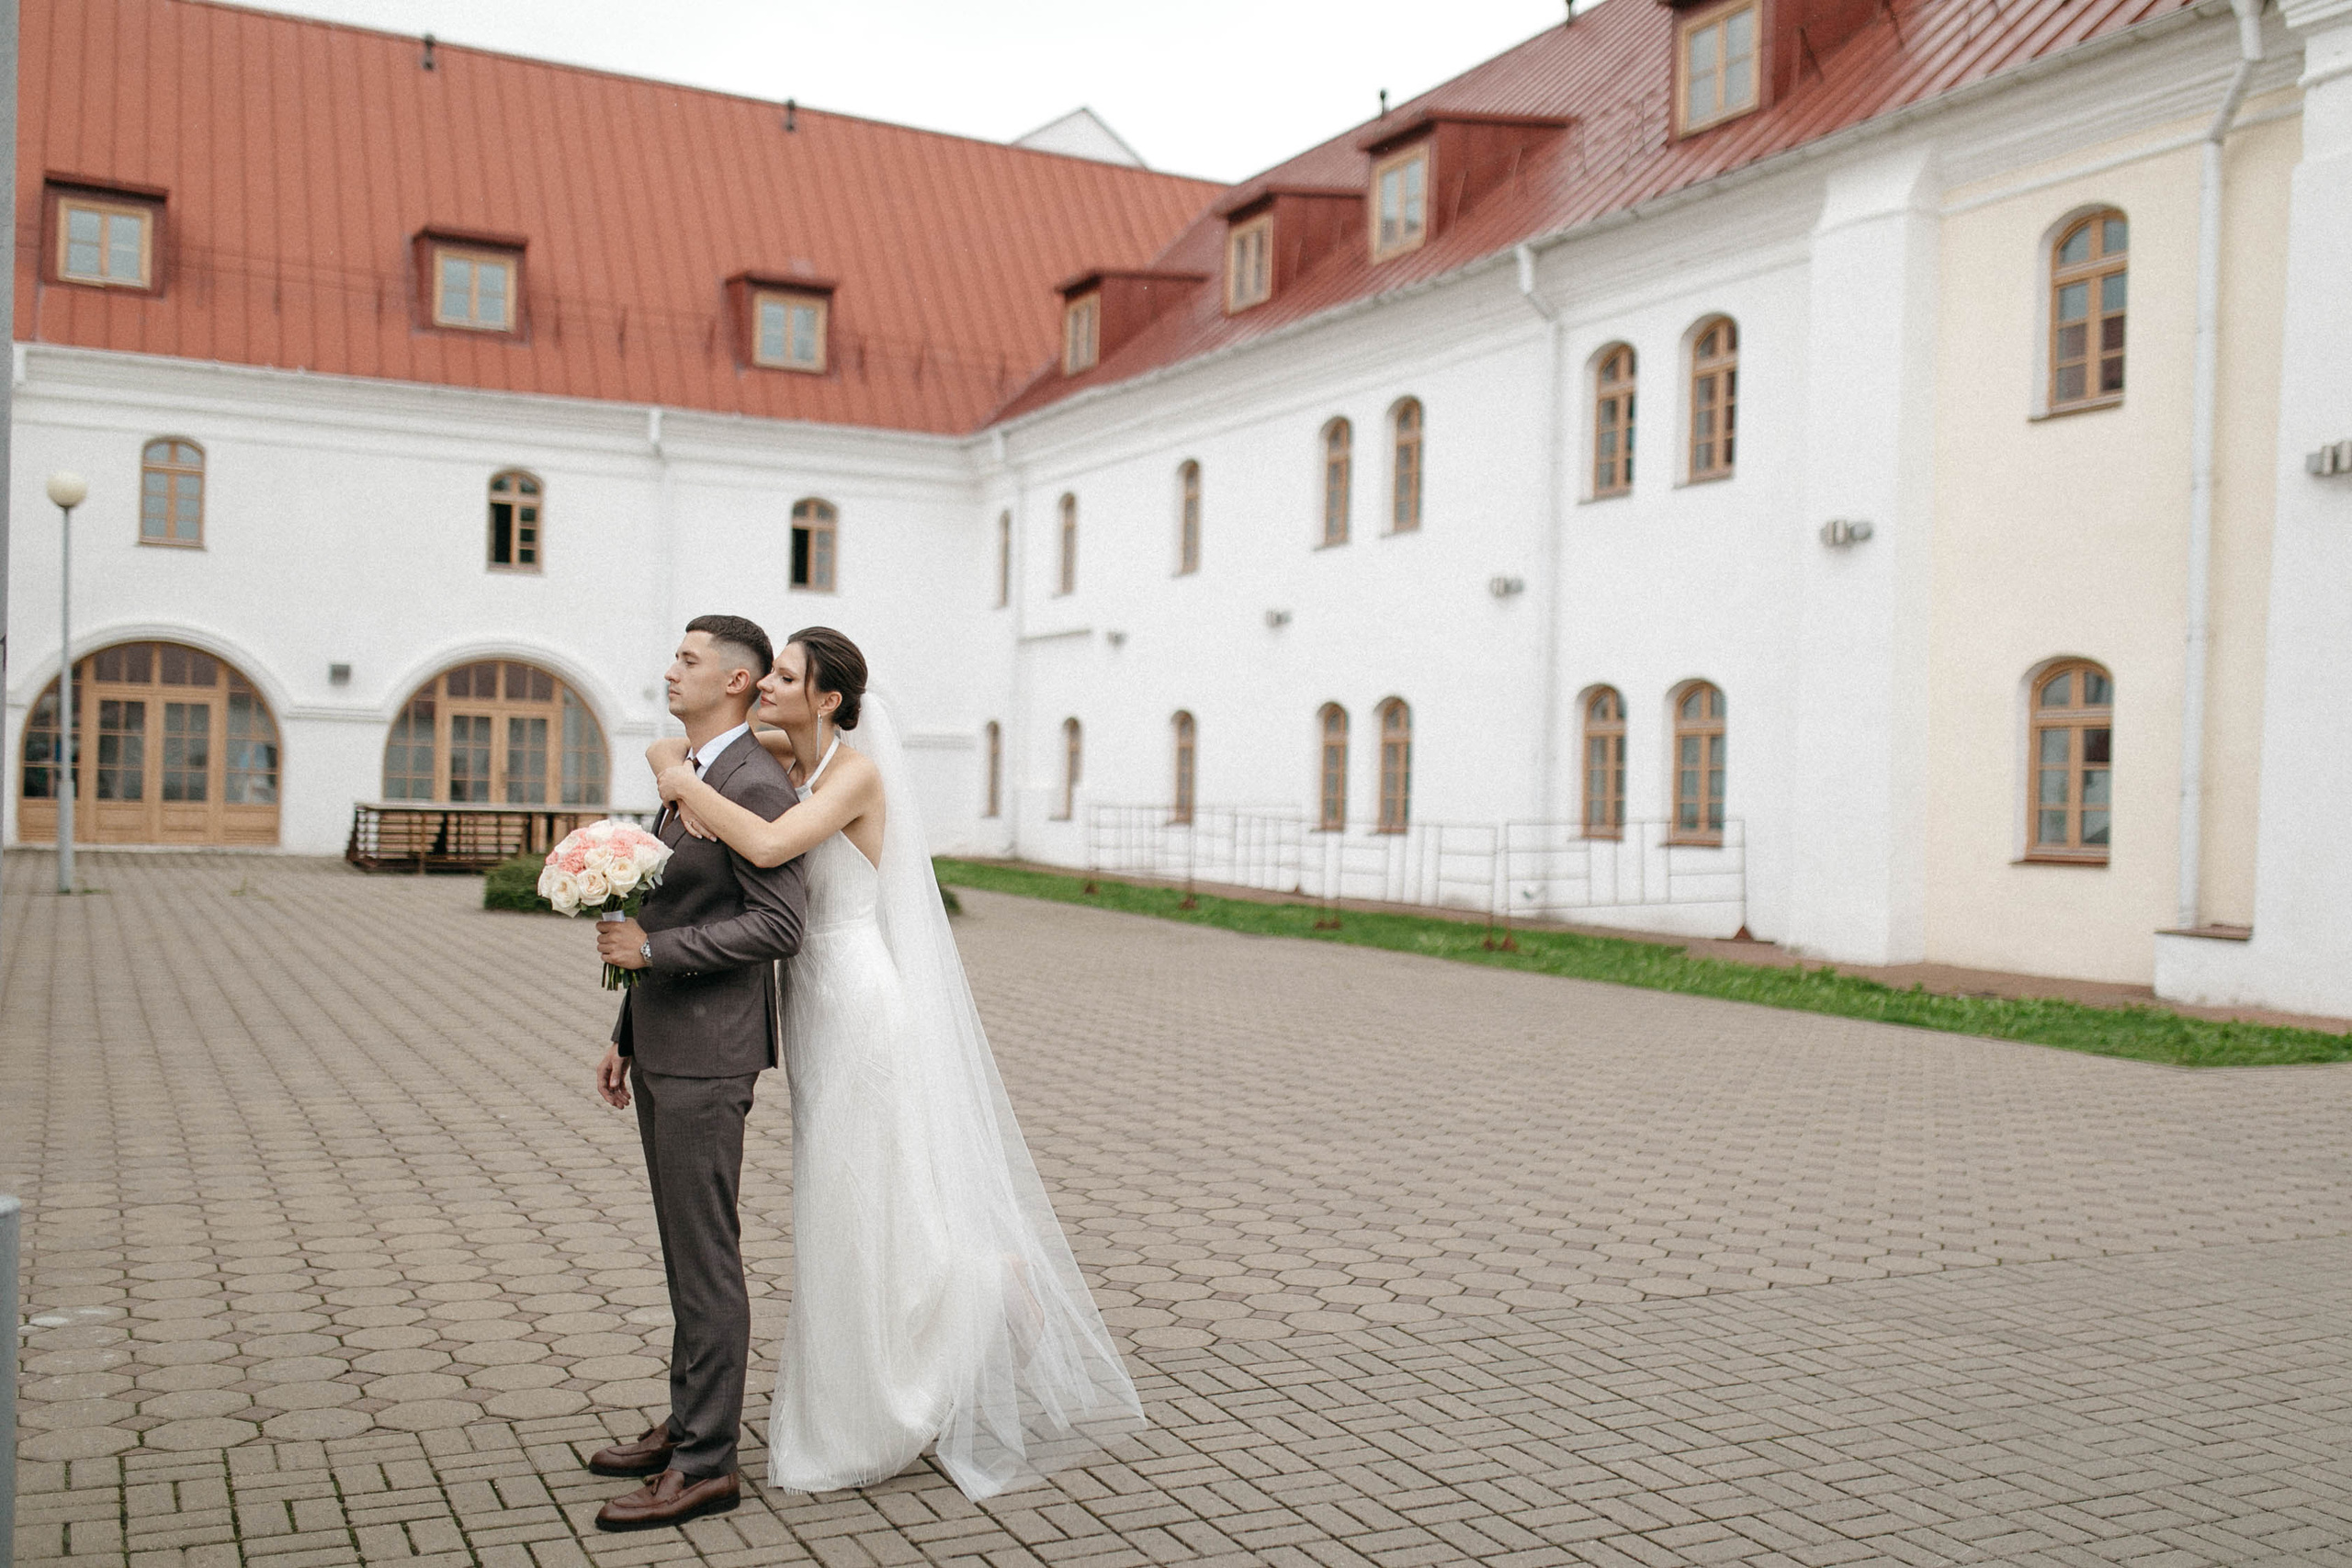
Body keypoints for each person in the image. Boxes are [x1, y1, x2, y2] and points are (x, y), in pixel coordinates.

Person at [647, 625, 1146, 1499]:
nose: (766, 687)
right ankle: (934, 1319)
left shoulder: (855, 775)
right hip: (811, 1008)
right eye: (767, 675)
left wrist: (687, 786)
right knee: (850, 1196)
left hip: (856, 1001)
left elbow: (766, 847)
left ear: (827, 698)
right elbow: (679, 743)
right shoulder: (791, 757)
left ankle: (972, 1301)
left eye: (786, 678)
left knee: (862, 1194)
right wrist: (674, 766)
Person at [583, 616, 809, 1531]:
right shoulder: (694, 770)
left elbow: (778, 924)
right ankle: (687, 1422)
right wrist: (626, 1029)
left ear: (737, 680)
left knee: (706, 1259)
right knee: (684, 1252)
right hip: (666, 1041)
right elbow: (669, 905)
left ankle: (708, 1461)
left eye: (688, 659)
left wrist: (652, 952)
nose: (670, 670)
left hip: (712, 1055)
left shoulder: (751, 780)